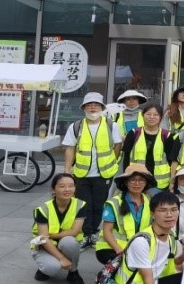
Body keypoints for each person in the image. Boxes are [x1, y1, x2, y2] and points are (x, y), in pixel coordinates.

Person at [63, 92, 124, 248]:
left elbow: (118, 145)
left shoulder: (111, 125)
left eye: (96, 105)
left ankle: (95, 233)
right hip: (81, 173)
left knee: (99, 204)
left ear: (101, 107)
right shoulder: (76, 126)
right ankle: (86, 234)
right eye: (89, 105)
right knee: (84, 205)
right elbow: (70, 148)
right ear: (84, 108)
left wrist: (113, 162)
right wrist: (67, 169)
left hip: (104, 173)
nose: (92, 108)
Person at [30, 173, 86, 284]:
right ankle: (44, 269)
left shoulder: (80, 205)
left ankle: (73, 271)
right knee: (52, 268)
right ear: (53, 189)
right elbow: (43, 239)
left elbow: (75, 232)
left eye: (71, 186)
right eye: (62, 186)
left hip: (64, 243)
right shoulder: (43, 209)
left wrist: (51, 235)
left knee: (69, 241)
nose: (67, 189)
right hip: (44, 246)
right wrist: (62, 258)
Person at [95, 164, 154, 264]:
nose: (137, 183)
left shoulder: (151, 201)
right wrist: (119, 250)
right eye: (133, 180)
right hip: (112, 248)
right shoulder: (114, 202)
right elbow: (107, 231)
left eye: (141, 180)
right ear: (126, 182)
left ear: (146, 183)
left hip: (139, 247)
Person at [119, 104, 175, 191]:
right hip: (137, 182)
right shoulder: (133, 133)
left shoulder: (166, 135)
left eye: (155, 115)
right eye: (148, 114)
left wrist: (172, 182)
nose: (151, 117)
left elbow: (172, 161)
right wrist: (126, 178)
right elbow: (126, 158)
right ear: (143, 115)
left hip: (160, 183)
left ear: (160, 117)